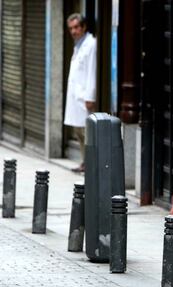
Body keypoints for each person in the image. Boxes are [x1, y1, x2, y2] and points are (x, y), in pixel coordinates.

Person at [64, 13, 97, 173]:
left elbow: (92, 71)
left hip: (85, 97)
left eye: (76, 27)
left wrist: (90, 96)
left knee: (86, 133)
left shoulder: (91, 44)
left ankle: (90, 164)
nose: (74, 31)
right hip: (77, 97)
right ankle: (85, 162)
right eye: (71, 28)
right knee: (79, 132)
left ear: (84, 27)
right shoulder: (78, 45)